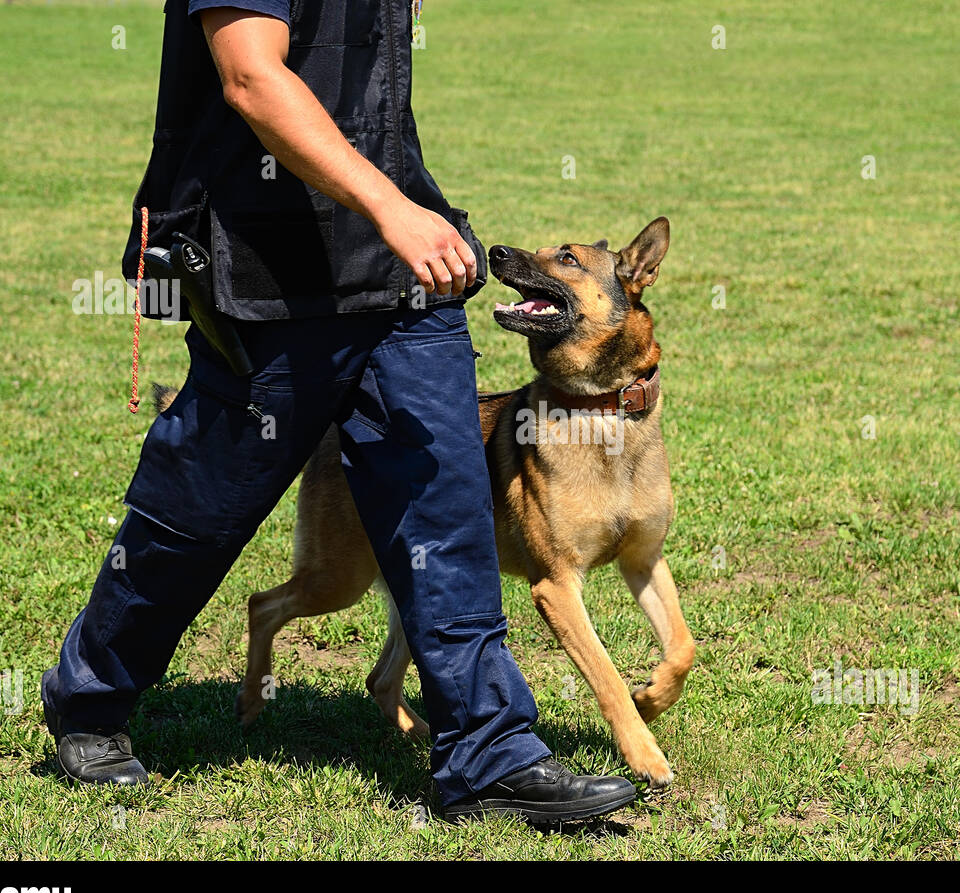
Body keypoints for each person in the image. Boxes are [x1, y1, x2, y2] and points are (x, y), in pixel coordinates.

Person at [40, 0, 636, 825]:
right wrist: (391, 209)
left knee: (447, 512)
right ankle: (92, 698)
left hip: (403, 281)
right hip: (268, 274)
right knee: (198, 513)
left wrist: (402, 214)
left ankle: (488, 755)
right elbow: (252, 76)